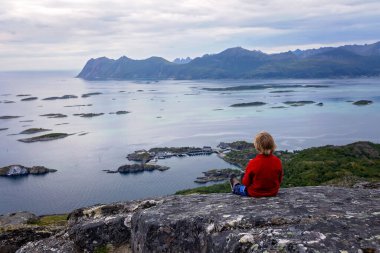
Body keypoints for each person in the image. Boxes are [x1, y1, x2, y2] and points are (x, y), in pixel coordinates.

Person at [230, 131, 283, 197]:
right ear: (272, 145)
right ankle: (241, 178)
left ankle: (235, 185)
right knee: (245, 176)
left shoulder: (253, 163)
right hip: (273, 192)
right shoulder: (277, 161)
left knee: (238, 187)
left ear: (257, 146)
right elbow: (279, 180)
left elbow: (246, 183)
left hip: (254, 193)